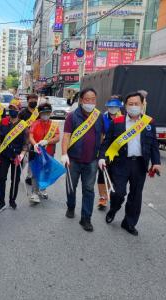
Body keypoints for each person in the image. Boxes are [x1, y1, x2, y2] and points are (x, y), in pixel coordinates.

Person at [99, 92, 161, 236]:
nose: (134, 107)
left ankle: (129, 222)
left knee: (136, 195)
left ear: (142, 105)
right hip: (121, 163)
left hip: (139, 164)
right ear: (125, 106)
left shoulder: (149, 122)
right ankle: (113, 209)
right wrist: (102, 157)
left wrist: (156, 162)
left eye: (136, 104)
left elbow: (153, 145)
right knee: (118, 193)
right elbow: (107, 142)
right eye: (130, 104)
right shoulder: (118, 122)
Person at [61, 88, 104, 232]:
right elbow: (66, 136)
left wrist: (101, 156)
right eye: (87, 99)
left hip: (91, 160)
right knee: (71, 186)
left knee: (89, 189)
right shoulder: (72, 117)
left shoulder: (99, 117)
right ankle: (71, 206)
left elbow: (103, 137)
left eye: (93, 100)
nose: (90, 102)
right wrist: (64, 153)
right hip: (73, 159)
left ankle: (86, 218)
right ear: (81, 100)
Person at [0, 99, 28, 213]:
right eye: (10, 108)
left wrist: (22, 154)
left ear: (19, 110)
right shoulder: (3, 121)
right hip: (4, 154)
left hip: (17, 156)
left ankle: (12, 200)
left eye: (14, 108)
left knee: (15, 179)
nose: (11, 110)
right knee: (2, 178)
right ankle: (1, 202)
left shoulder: (23, 125)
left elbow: (25, 142)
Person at [29, 102, 60, 203]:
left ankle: (42, 189)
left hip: (49, 153)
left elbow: (57, 137)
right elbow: (31, 136)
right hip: (36, 152)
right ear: (39, 113)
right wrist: (35, 144)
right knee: (35, 172)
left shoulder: (54, 125)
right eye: (43, 113)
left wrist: (47, 141)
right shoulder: (35, 123)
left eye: (47, 113)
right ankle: (34, 192)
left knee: (46, 172)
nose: (45, 115)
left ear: (50, 113)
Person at [96, 96, 123, 210]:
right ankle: (103, 197)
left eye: (115, 106)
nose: (113, 109)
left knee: (114, 175)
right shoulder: (102, 117)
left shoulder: (123, 118)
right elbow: (100, 134)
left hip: (118, 151)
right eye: (111, 107)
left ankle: (113, 196)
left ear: (119, 107)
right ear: (107, 107)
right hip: (104, 150)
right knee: (102, 174)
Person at [18, 94, 40, 185]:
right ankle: (18, 174)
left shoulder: (38, 113)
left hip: (34, 139)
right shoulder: (22, 113)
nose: (33, 101)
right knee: (23, 159)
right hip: (23, 139)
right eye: (31, 99)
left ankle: (29, 177)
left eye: (35, 99)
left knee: (32, 158)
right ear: (28, 101)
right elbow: (17, 126)